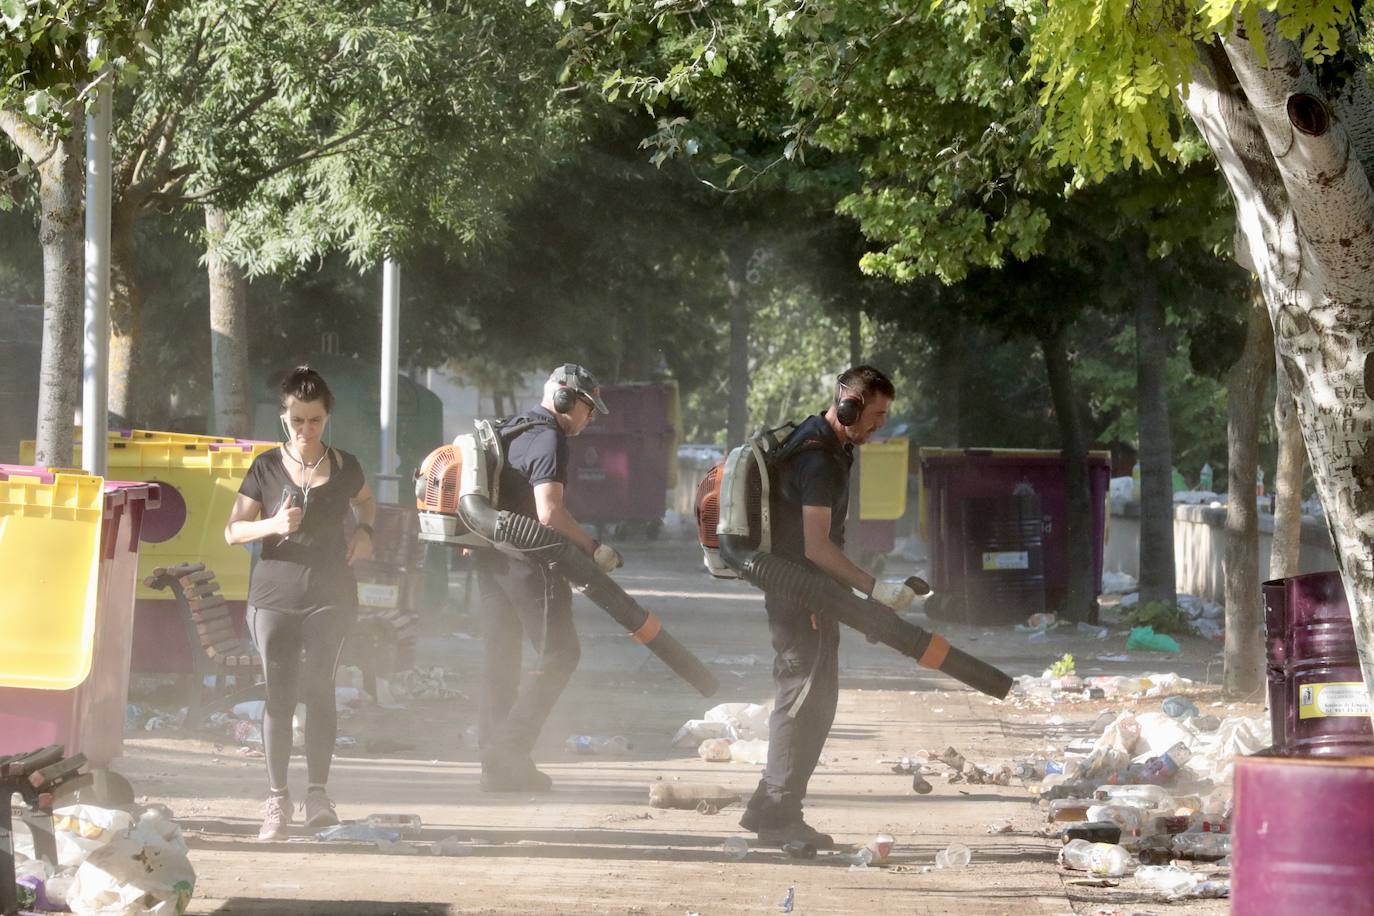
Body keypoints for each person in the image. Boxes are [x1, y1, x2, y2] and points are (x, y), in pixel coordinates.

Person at [739, 365, 920, 848]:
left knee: (813, 701)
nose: (882, 424)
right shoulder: (818, 458)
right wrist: (874, 588)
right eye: (877, 414)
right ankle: (780, 815)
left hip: (811, 593)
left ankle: (767, 807)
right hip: (802, 595)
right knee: (804, 703)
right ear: (850, 406)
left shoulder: (826, 444)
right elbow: (817, 547)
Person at [224, 367, 376, 840]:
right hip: (273, 597)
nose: (305, 430)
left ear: (327, 417)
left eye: (314, 421)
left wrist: (366, 531)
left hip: (331, 594)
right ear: (283, 418)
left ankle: (317, 794)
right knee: (279, 694)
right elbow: (232, 531)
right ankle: (276, 800)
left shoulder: (347, 465)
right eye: (296, 421)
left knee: (321, 689)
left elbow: (366, 502)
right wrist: (271, 526)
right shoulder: (265, 467)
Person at [476, 363, 623, 792]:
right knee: (561, 654)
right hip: (527, 564)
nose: (590, 418)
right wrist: (592, 548)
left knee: (499, 663)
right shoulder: (549, 437)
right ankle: (508, 750)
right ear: (564, 399)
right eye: (588, 408)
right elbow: (549, 513)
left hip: (491, 561)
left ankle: (497, 770)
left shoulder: (513, 429)